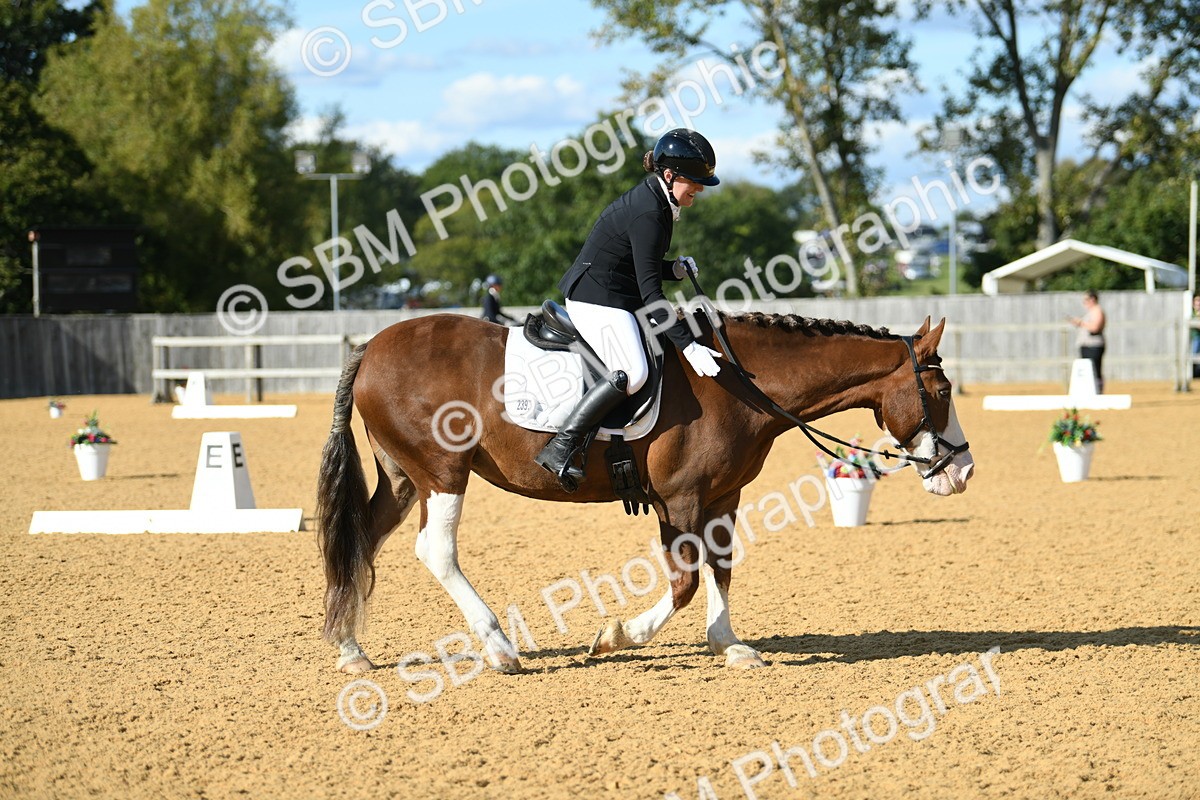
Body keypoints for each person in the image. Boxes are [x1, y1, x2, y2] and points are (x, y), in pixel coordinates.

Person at [534, 128, 724, 490]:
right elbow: (651, 294)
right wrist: (688, 345)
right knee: (633, 372)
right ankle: (561, 446)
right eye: (694, 182)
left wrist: (673, 269)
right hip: (597, 298)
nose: (699, 189)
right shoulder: (649, 212)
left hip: (617, 292)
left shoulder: (657, 201)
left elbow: (637, 264)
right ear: (669, 175)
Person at [1069, 289, 1106, 393]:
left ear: (1092, 299)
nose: (1084, 302)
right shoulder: (1091, 312)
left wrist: (1081, 323)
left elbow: (1095, 328)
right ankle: (1089, 391)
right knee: (1088, 371)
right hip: (1086, 345)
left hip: (1093, 345)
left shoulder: (1097, 311)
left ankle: (1098, 393)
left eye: (1086, 299)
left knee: (1095, 371)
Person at [1191, 294, 1200, 379]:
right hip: (1195, 338)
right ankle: (1193, 374)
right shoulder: (1191, 313)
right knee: (1193, 355)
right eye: (1197, 301)